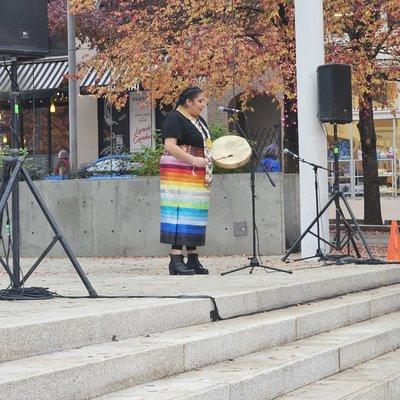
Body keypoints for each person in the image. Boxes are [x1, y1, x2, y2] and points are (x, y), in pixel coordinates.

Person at [159, 86, 212, 275]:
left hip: (195, 171)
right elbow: (170, 145)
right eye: (200, 101)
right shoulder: (175, 118)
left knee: (193, 213)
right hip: (179, 170)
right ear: (188, 101)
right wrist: (193, 160)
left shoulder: (197, 120)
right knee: (179, 210)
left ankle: (192, 257)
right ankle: (175, 259)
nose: (203, 105)